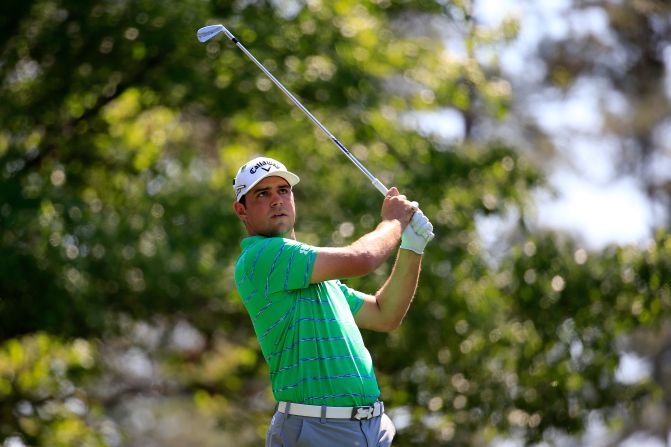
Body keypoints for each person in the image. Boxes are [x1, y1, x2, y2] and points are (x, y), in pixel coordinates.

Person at [232, 156, 433, 447]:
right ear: (242, 210)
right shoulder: (260, 256)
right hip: (316, 429)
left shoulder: (319, 281)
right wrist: (393, 221)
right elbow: (363, 259)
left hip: (372, 429)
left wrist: (412, 246)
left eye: (283, 190)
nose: (276, 200)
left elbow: (384, 314)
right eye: (262, 194)